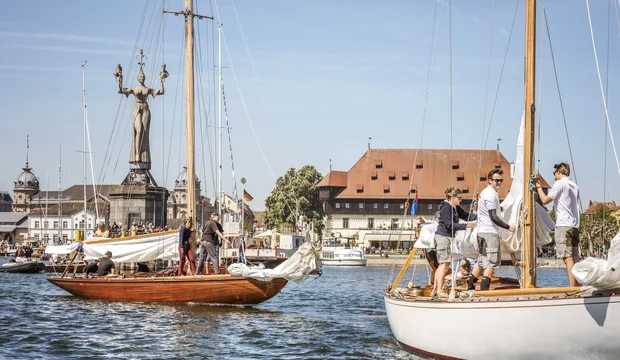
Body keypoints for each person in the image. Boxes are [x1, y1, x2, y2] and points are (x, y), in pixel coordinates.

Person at [468, 169, 516, 291]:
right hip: (490, 234)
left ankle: (470, 289)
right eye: (496, 180)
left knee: (481, 262)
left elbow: (488, 210)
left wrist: (500, 207)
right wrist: (508, 227)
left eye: (501, 180)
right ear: (490, 181)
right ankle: (484, 294)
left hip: (481, 233)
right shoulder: (491, 194)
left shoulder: (485, 193)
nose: (499, 183)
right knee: (490, 264)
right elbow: (493, 216)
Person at [536, 162, 581, 287]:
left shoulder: (560, 183)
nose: (554, 176)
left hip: (563, 225)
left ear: (559, 172)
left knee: (567, 258)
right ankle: (579, 286)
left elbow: (545, 200)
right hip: (574, 225)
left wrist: (539, 187)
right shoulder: (574, 185)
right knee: (575, 257)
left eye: (555, 173)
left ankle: (572, 288)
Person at [432, 187, 477, 298]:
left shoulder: (455, 207)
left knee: (443, 264)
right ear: (452, 197)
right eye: (459, 197)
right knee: (445, 264)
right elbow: (449, 225)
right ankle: (439, 291)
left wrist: (483, 215)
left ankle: (435, 289)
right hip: (443, 237)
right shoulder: (446, 208)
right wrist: (467, 225)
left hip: (444, 237)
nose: (461, 200)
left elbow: (467, 216)